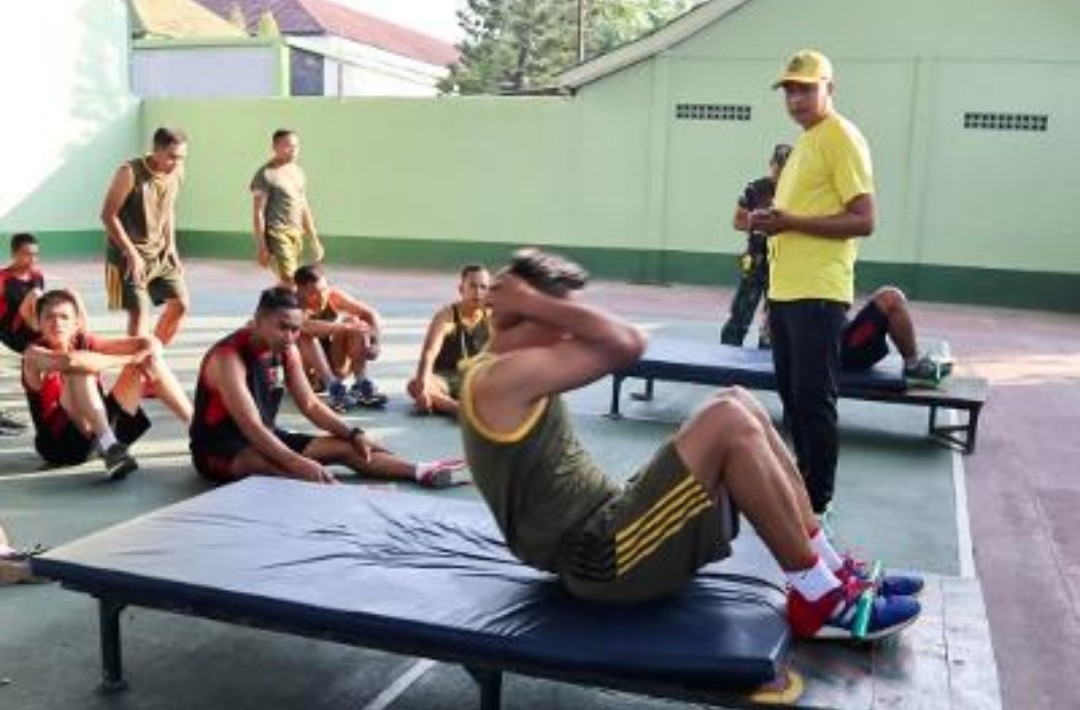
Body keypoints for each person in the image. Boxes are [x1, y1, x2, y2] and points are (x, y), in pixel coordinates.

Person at [459, 248, 921, 640]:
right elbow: (627, 343)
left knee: (737, 401)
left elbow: (617, 342)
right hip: (599, 558)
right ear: (530, 313)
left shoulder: (510, 370)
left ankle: (829, 569)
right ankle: (820, 598)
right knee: (727, 422)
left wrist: (538, 306)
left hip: (613, 523)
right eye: (561, 318)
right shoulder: (496, 380)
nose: (570, 332)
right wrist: (537, 303)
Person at [749, 49, 875, 515]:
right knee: (793, 398)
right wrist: (773, 223)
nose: (796, 99)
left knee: (813, 400)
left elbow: (864, 219)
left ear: (829, 89)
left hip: (818, 293)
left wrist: (790, 222)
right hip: (787, 293)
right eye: (789, 90)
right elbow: (797, 218)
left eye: (806, 89)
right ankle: (803, 487)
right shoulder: (806, 143)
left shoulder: (840, 136)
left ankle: (818, 502)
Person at [189, 287, 466, 487]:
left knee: (347, 447)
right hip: (220, 448)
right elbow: (251, 426)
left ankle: (420, 471)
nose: (290, 336)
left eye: (296, 329)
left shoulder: (287, 349)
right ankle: (333, 495)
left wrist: (354, 433)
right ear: (258, 320)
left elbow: (310, 404)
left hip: (266, 435)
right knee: (265, 466)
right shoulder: (228, 358)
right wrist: (296, 463)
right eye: (283, 327)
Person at [22, 290, 193, 480]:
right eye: (49, 317)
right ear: (38, 323)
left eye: (64, 317)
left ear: (77, 323)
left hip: (97, 432)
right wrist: (129, 359)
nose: (57, 323)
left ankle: (195, 426)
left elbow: (148, 344)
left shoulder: (85, 341)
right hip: (62, 446)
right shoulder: (33, 354)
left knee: (148, 358)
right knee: (80, 370)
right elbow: (71, 361)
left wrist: (148, 354)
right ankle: (110, 447)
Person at [101, 127, 190, 347]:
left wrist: (171, 246)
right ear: (155, 151)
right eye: (172, 157)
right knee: (139, 313)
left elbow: (168, 208)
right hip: (127, 256)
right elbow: (108, 215)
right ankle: (136, 363)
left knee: (180, 305)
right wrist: (131, 253)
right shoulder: (129, 172)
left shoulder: (177, 171)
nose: (177, 163)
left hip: (159, 253)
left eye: (182, 157)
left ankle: (152, 355)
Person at [720, 144, 791, 348]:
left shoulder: (797, 193)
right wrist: (758, 223)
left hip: (783, 264)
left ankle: (766, 360)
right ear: (771, 164)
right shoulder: (755, 189)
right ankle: (726, 357)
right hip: (755, 261)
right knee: (739, 316)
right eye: (778, 167)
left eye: (786, 169)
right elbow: (737, 221)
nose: (781, 173)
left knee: (773, 323)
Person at [292, 264, 388, 411]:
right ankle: (333, 387)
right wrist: (344, 327)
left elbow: (370, 313)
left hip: (336, 367)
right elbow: (303, 325)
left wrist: (375, 343)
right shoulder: (291, 303)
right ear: (300, 292)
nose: (321, 297)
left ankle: (361, 384)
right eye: (313, 293)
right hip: (307, 376)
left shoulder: (332, 297)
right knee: (303, 334)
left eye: (324, 290)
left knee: (354, 321)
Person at [407, 264, 492, 416]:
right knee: (415, 385)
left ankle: (449, 405)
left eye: (483, 287)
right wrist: (423, 387)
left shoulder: (493, 317)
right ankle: (462, 411)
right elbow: (429, 353)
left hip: (478, 380)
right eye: (473, 286)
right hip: (446, 378)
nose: (478, 292)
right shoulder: (446, 316)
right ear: (461, 289)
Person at [251, 129, 324, 288]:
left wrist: (314, 240)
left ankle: (269, 303)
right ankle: (285, 303)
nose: (293, 150)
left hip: (296, 233)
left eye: (296, 146)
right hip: (276, 233)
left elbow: (304, 206)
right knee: (291, 280)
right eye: (287, 146)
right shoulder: (265, 174)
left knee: (289, 281)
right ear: (275, 147)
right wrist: (262, 247)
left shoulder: (298, 172)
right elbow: (258, 212)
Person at [843, 286, 948, 386]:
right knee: (890, 299)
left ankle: (912, 362)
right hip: (838, 351)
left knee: (889, 297)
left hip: (843, 341)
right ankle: (913, 365)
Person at [0, 232, 46, 432]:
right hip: (11, 330)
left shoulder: (37, 276)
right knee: (35, 294)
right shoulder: (3, 278)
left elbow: (41, 307)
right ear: (14, 254)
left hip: (34, 328)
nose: (32, 259)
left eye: (35, 255)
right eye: (27, 254)